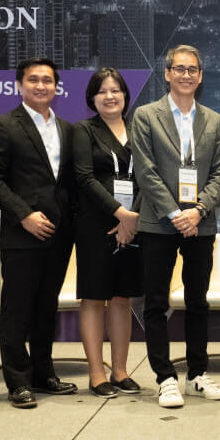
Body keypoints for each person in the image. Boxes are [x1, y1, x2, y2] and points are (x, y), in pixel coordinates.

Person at [130, 45, 220, 408]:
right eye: (179, 68)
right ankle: (165, 378)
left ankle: (197, 375)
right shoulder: (146, 115)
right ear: (167, 73)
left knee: (197, 301)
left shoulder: (214, 121)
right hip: (159, 222)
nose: (186, 75)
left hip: (200, 224)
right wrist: (176, 213)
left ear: (200, 76)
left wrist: (199, 209)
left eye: (192, 69)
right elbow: (145, 171)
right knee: (156, 302)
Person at [0, 57, 78, 409]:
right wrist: (23, 215)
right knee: (17, 309)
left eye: (47, 80)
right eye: (33, 80)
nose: (41, 85)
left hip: (59, 234)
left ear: (56, 86)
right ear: (19, 85)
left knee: (45, 308)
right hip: (23, 234)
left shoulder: (67, 128)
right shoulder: (3, 125)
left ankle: (43, 373)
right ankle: (18, 381)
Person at [73, 68, 143, 399]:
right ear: (92, 97)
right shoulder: (84, 130)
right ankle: (96, 373)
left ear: (125, 95)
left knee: (121, 297)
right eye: (102, 91)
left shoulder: (139, 130)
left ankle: (120, 370)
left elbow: (149, 176)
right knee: (94, 296)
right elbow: (84, 178)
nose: (110, 96)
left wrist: (133, 218)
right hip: (95, 223)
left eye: (116, 90)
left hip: (133, 224)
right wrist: (121, 214)